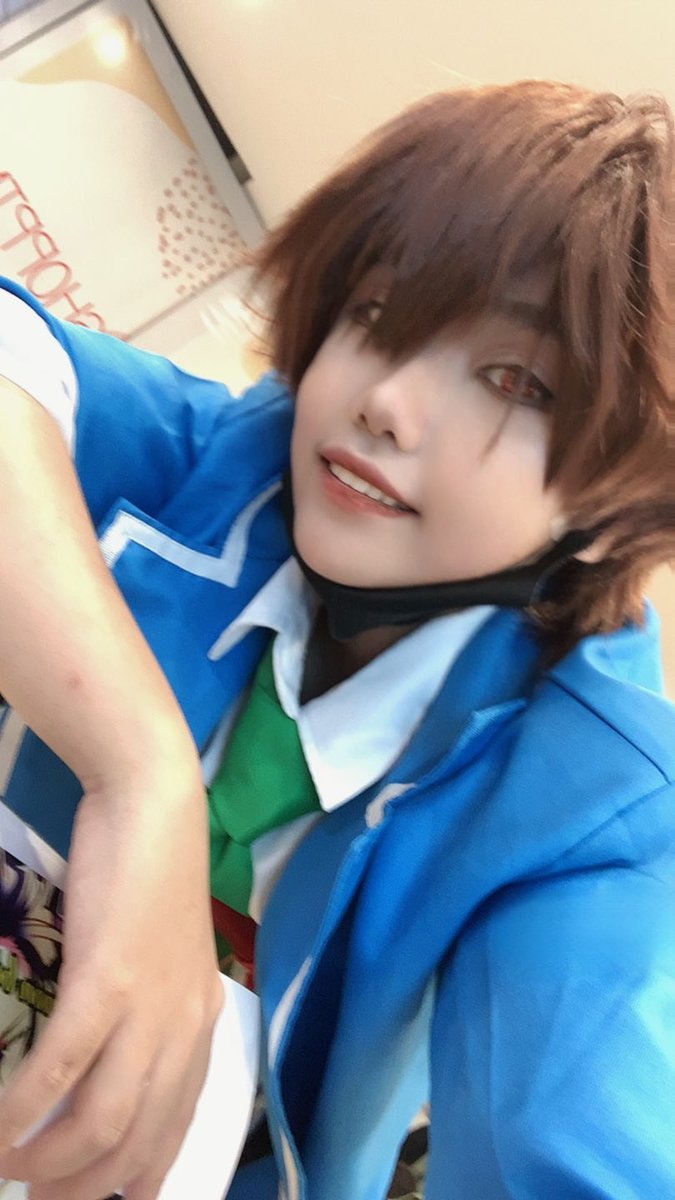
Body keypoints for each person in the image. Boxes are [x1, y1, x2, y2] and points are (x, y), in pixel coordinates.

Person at [0, 77, 673, 1200]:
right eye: (374, 315)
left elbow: (574, 1137)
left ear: (629, 498)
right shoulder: (215, 471)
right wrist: (142, 776)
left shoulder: (592, 810)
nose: (386, 401)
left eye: (515, 380)